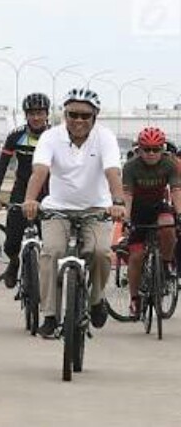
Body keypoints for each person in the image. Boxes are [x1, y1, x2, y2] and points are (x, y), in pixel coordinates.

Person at [23, 88, 126, 338]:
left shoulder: (105, 137)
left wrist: (118, 201)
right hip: (57, 208)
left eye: (85, 115)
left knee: (100, 253)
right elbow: (40, 171)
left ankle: (96, 299)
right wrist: (30, 200)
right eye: (73, 114)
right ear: (64, 114)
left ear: (95, 117)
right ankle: (49, 314)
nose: (78, 120)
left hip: (96, 208)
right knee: (52, 252)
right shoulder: (50, 137)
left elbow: (113, 171)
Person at [0, 93, 51, 288]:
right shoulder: (16, 136)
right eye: (32, 113)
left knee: (49, 242)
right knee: (12, 241)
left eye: (40, 113)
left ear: (47, 114)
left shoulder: (55, 136)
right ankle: (14, 262)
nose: (36, 118)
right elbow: (2, 167)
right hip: (21, 189)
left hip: (48, 191)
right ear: (26, 115)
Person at [122, 127, 181, 316]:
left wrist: (180, 213)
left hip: (158, 206)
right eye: (146, 149)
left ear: (162, 149)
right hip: (138, 210)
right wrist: (126, 219)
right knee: (137, 256)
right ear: (139, 149)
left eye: (156, 149)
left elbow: (176, 191)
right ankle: (134, 299)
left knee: (168, 226)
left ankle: (165, 265)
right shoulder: (131, 166)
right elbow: (127, 195)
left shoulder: (169, 164)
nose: (151, 154)